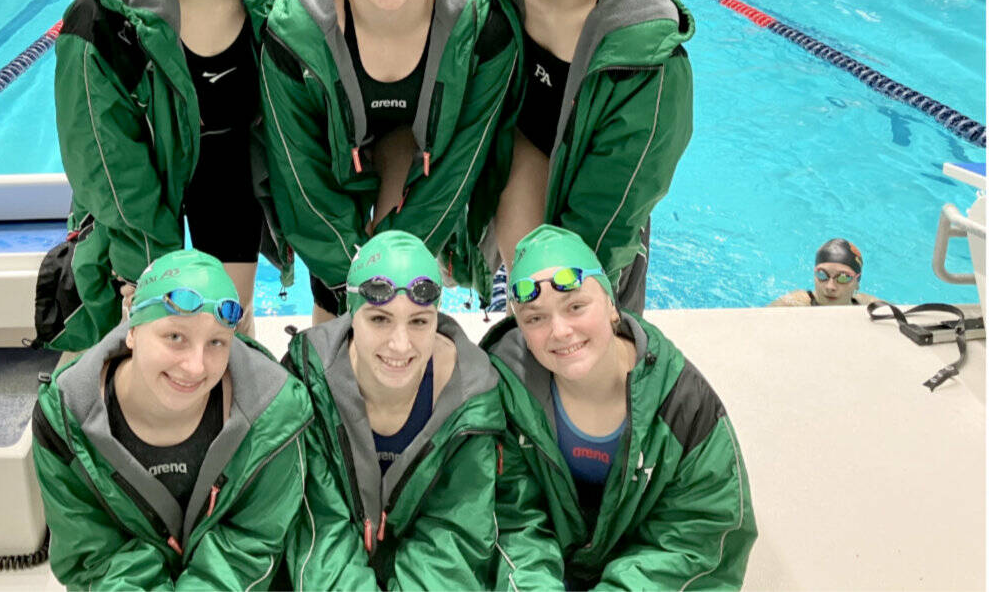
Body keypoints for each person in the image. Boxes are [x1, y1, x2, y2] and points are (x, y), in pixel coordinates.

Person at [45, 0, 311, 350]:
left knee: (226, 327)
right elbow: (106, 168)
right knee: (156, 329)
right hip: (143, 181)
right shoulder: (100, 25)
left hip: (229, 171)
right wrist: (142, 265)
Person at [434, 0, 694, 315]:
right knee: (526, 300)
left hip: (600, 178)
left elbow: (609, 221)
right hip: (526, 143)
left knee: (578, 303)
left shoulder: (648, 62)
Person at [259, 0, 518, 323]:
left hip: (423, 156)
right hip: (340, 163)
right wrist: (352, 279)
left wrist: (402, 270)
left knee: (408, 301)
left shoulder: (480, 32)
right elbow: (301, 178)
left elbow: (459, 169)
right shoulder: (295, 34)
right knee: (339, 311)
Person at [281, 230, 561, 590]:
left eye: (419, 321)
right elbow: (319, 533)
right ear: (352, 316)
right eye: (380, 319)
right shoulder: (309, 386)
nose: (400, 345)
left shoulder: (471, 400)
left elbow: (451, 536)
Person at [483, 225, 757, 587]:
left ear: (612, 306)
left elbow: (696, 540)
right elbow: (513, 522)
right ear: (520, 329)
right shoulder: (506, 394)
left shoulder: (683, 408)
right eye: (536, 318)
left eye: (576, 306)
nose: (560, 330)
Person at [31, 249, 312, 589]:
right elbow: (96, 559)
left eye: (216, 343)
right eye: (175, 337)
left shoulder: (275, 415)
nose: (195, 366)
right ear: (132, 330)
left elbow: (249, 546)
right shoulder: (64, 422)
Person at [769, 238, 879, 306]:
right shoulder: (794, 303)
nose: (830, 287)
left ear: (857, 282)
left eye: (843, 277)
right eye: (822, 274)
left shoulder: (866, 304)